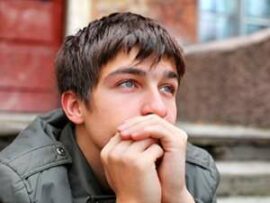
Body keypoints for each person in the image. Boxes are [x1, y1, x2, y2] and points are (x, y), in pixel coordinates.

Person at [0, 12, 219, 203]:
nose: (158, 108)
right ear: (76, 107)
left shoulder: (193, 173)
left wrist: (177, 197)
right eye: (128, 83)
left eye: (167, 88)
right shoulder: (20, 186)